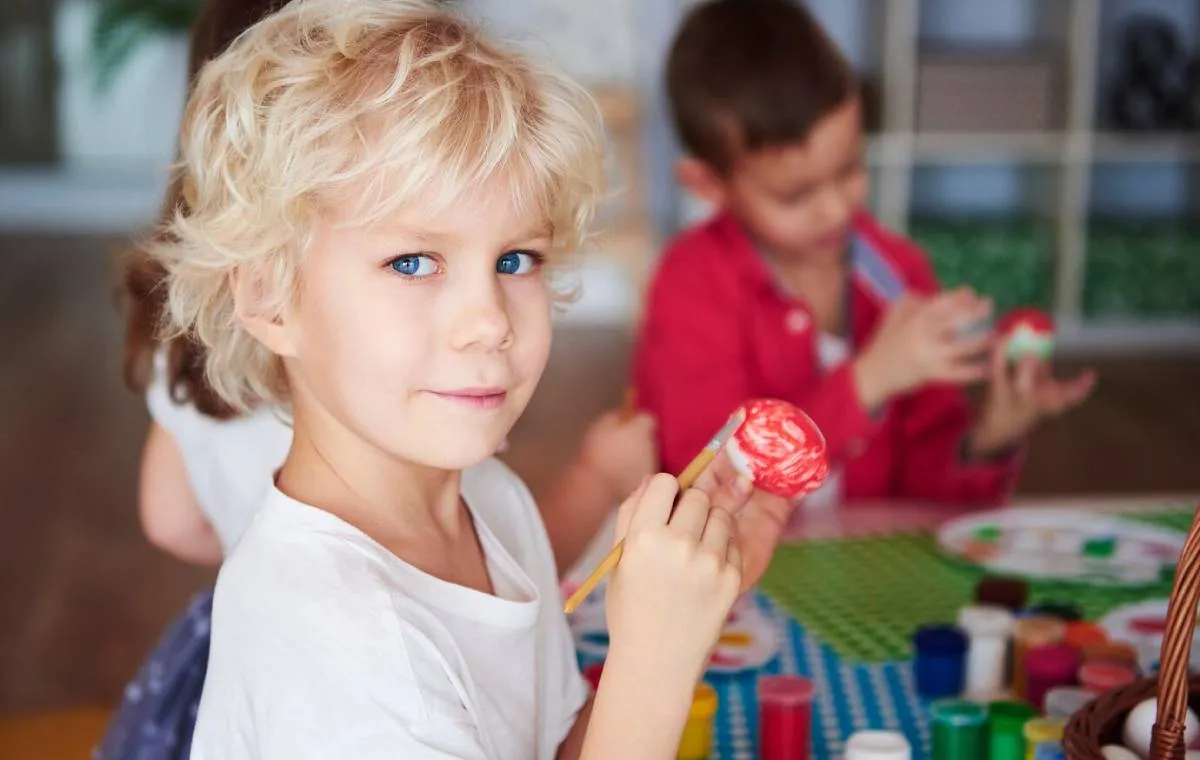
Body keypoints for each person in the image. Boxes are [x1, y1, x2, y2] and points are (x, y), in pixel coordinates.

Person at [146, 0, 786, 756]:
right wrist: (656, 658)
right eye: (413, 262)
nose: (488, 320)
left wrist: (680, 624)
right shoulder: (336, 646)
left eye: (516, 259)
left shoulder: (492, 502)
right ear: (268, 295)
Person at [634, 0, 1096, 508]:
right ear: (708, 184)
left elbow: (929, 494)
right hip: (737, 556)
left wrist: (989, 437)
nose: (836, 209)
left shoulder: (900, 272)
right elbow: (707, 478)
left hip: (869, 551)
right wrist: (868, 380)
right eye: (795, 195)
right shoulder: (690, 283)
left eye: (850, 169)